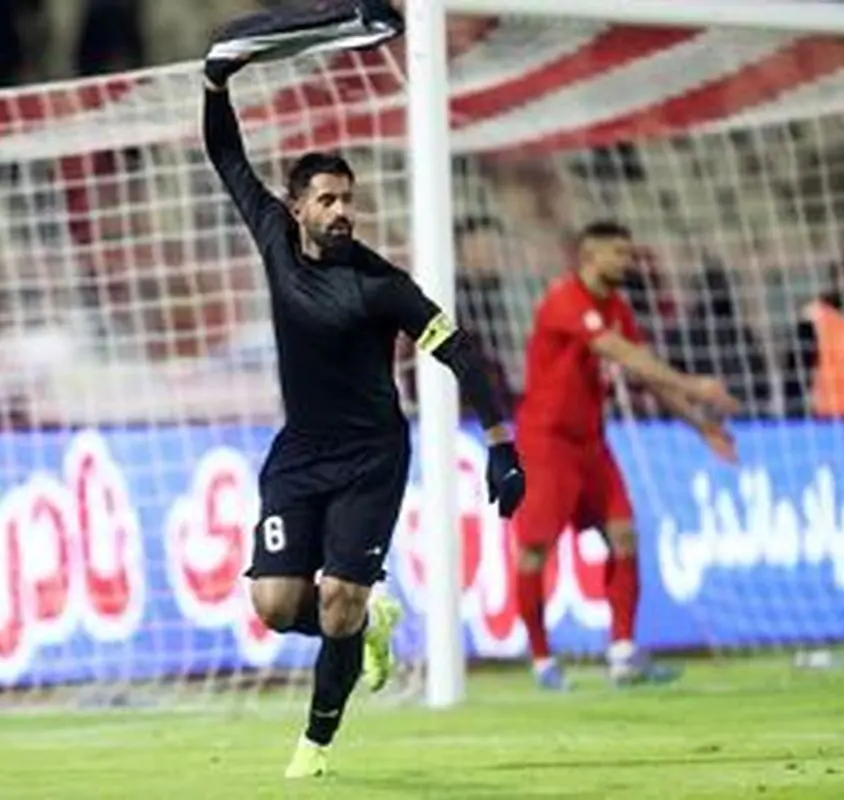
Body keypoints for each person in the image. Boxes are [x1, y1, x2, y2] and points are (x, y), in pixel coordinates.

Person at [202, 57, 525, 777]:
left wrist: (502, 443)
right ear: (296, 208)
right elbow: (227, 155)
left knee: (338, 602)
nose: (342, 210)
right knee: (276, 606)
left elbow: (460, 351)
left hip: (371, 459)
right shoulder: (272, 236)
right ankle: (371, 623)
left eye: (348, 198)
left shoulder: (380, 284)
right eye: (327, 199)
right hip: (300, 454)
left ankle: (314, 747)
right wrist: (215, 84)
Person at [513, 221, 740, 691]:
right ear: (590, 256)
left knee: (624, 535)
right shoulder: (565, 300)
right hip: (546, 443)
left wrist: (701, 425)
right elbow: (622, 354)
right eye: (618, 253)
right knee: (535, 549)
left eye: (629, 253)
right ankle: (541, 660)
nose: (628, 261)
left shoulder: (617, 308)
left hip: (591, 443)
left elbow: (646, 374)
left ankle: (622, 653)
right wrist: (695, 384)